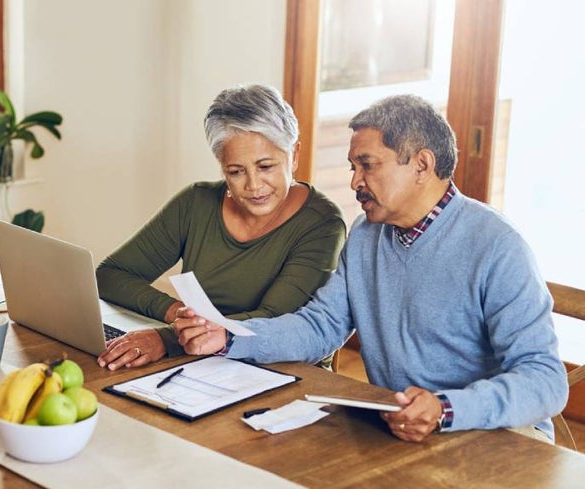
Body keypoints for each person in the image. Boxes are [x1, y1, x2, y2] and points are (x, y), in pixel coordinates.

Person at [173, 94, 568, 443]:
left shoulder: (497, 246)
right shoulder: (366, 234)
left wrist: (446, 409)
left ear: (421, 164)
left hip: (497, 437)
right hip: (402, 430)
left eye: (367, 165)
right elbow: (320, 326)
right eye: (352, 167)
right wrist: (228, 337)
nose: (354, 182)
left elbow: (545, 381)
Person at [95, 84, 347, 371]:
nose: (253, 186)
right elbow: (111, 275)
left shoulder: (322, 223)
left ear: (295, 155)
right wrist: (178, 314)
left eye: (266, 167)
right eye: (236, 171)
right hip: (201, 364)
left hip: (283, 372)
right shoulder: (196, 203)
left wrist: (167, 339)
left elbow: (275, 321)